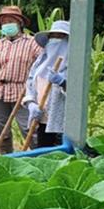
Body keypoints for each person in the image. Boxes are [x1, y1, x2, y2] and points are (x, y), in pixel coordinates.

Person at [0, 5, 42, 154]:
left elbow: (42, 65)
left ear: (19, 23)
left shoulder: (32, 43)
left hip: (22, 92)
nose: (7, 24)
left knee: (30, 128)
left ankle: (39, 157)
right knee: (1, 131)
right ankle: (7, 159)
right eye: (4, 22)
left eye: (10, 21)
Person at [24, 20, 70, 149]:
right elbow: (30, 83)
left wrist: (63, 82)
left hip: (61, 123)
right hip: (42, 119)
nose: (55, 40)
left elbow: (78, 94)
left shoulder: (73, 66)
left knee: (60, 153)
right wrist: (30, 103)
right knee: (43, 151)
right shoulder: (40, 63)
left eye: (60, 37)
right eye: (52, 37)